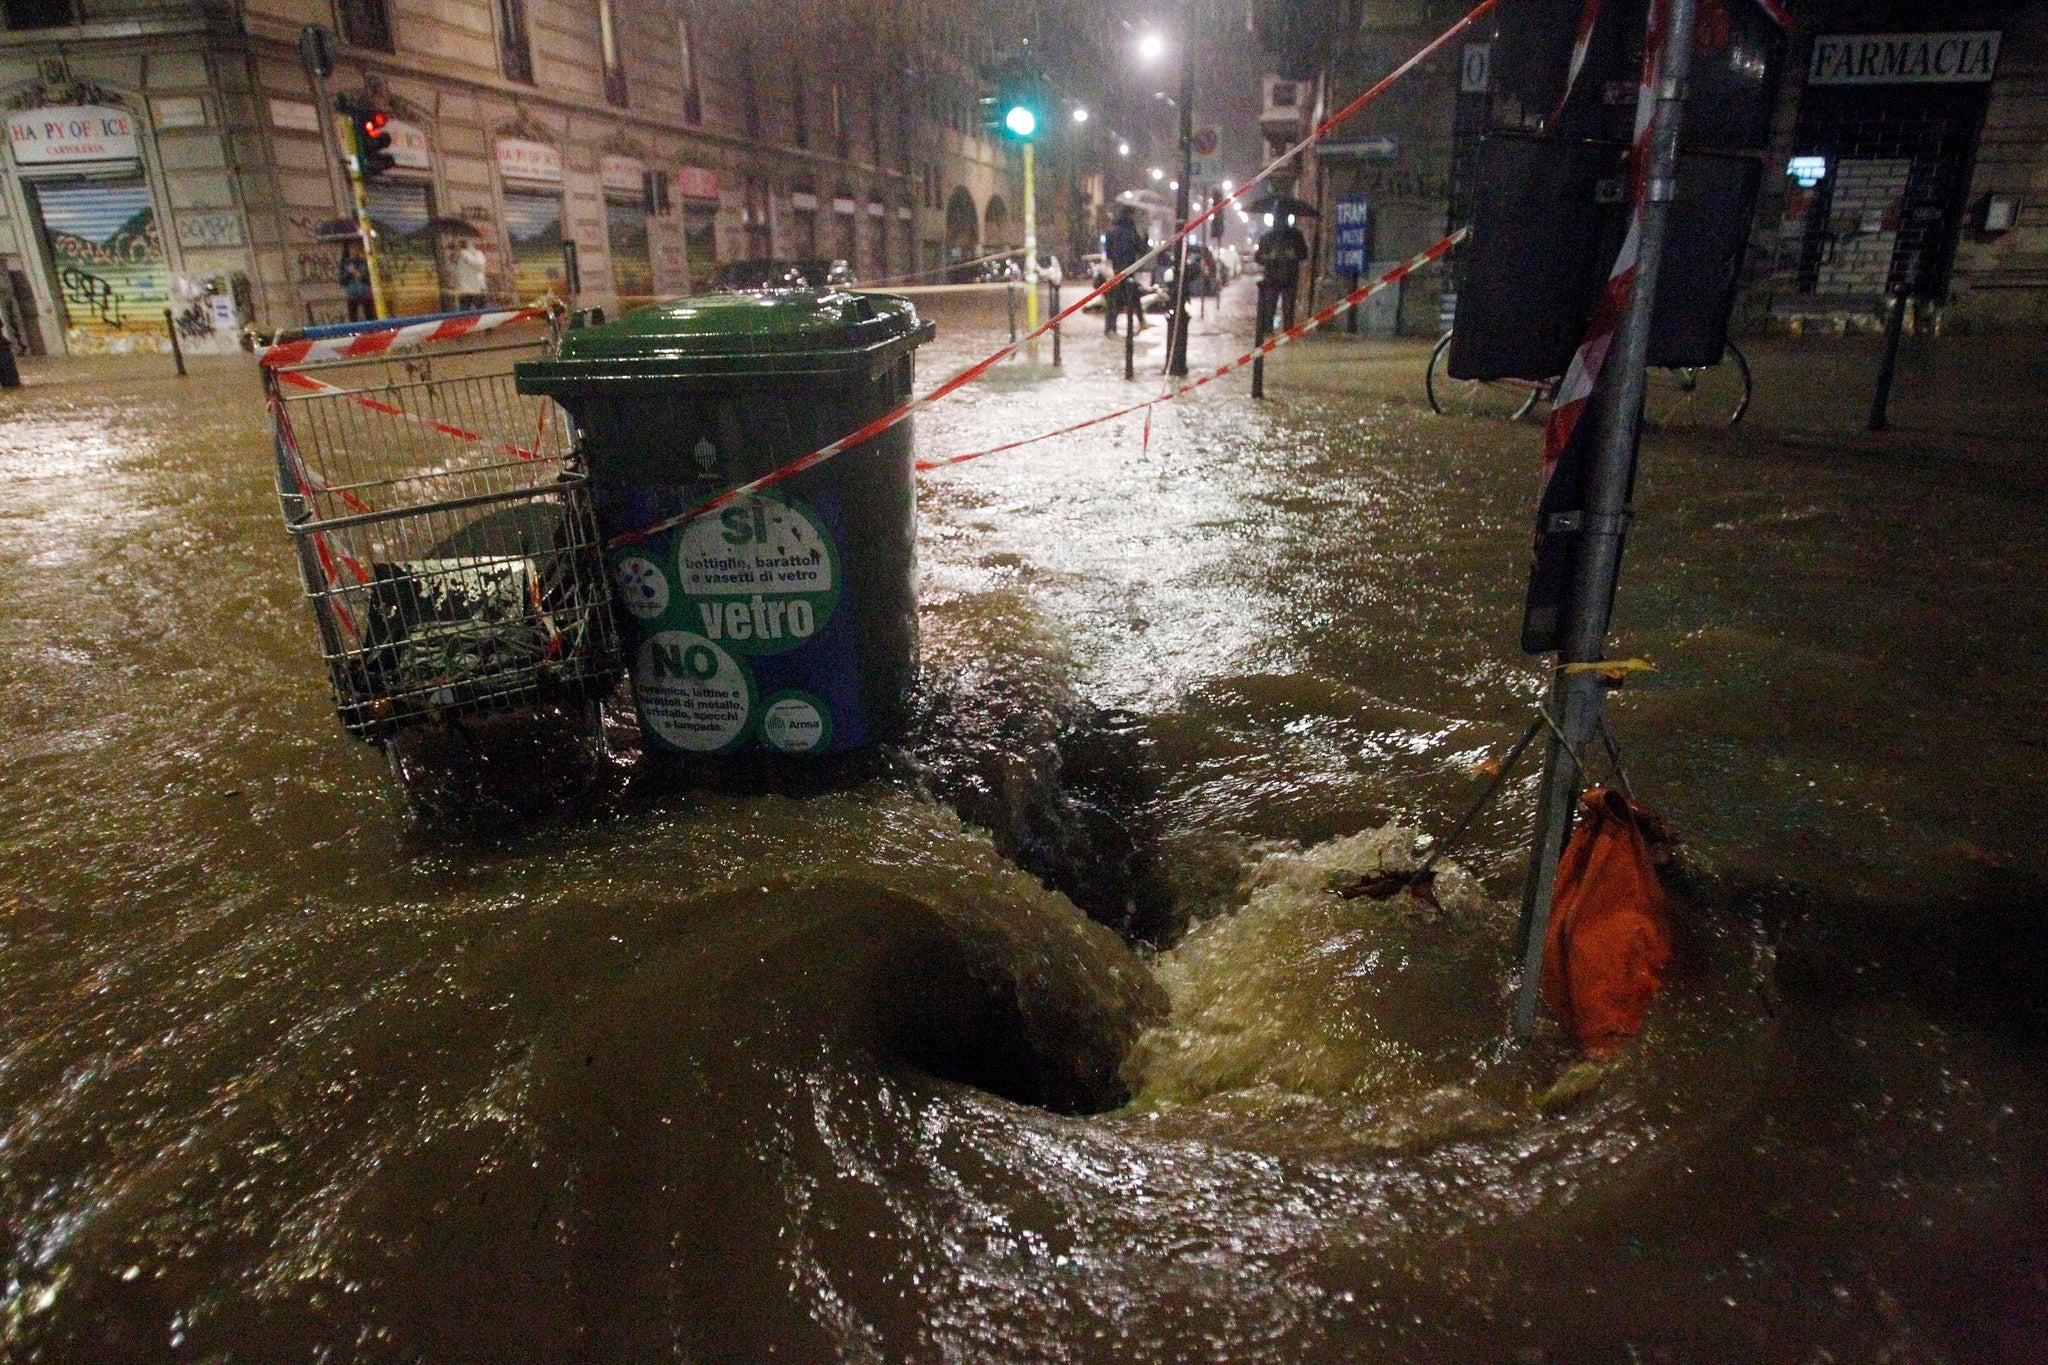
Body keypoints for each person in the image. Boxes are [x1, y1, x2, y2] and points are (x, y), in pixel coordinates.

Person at [1254, 214, 1309, 334]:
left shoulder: (1295, 236)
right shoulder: (1268, 237)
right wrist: (1269, 257)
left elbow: (1303, 253)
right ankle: (1269, 331)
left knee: (1288, 308)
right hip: (1272, 277)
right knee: (1270, 307)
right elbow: (1258, 257)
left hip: (1289, 277)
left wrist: (1293, 255)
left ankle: (1287, 332)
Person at [1104, 206, 1147, 337]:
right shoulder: (1132, 231)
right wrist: (1145, 237)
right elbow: (1141, 249)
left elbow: (1108, 253)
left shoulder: (1111, 231)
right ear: (1130, 215)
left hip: (1117, 269)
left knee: (1114, 300)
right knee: (1133, 295)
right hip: (1129, 268)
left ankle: (1110, 328)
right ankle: (1140, 321)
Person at [339, 242, 374, 322]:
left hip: (365, 294)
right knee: (353, 317)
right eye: (351, 248)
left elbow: (369, 280)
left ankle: (372, 331)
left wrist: (358, 274)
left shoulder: (363, 262)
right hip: (352, 294)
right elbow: (342, 281)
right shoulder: (345, 264)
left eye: (355, 248)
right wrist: (349, 274)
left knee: (370, 316)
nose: (353, 250)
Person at [454, 238, 489, 311]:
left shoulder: (466, 253)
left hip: (473, 287)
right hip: (471, 287)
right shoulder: (465, 254)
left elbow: (478, 264)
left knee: (478, 309)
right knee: (467, 309)